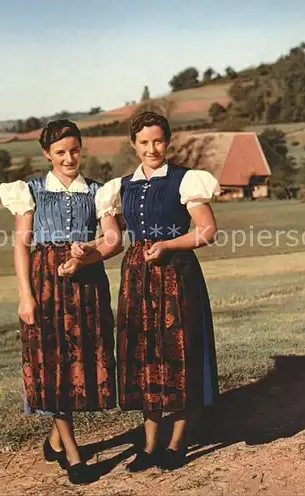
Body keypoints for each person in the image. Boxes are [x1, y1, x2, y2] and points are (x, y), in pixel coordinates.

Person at [93, 110, 221, 472]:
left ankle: (177, 441)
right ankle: (148, 444)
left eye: (158, 141)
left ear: (168, 141)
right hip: (137, 277)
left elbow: (207, 230)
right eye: (144, 142)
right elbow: (113, 239)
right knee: (142, 355)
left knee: (178, 351)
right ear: (134, 145)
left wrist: (169, 246)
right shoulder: (118, 188)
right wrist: (87, 250)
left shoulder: (185, 180)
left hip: (177, 274)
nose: (152, 148)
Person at [0, 119, 122, 484]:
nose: (69, 158)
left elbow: (113, 240)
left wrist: (87, 254)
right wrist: (25, 295)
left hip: (86, 284)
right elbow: (21, 245)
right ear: (46, 154)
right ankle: (72, 454)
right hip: (45, 284)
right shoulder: (31, 190)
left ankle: (55, 440)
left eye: (74, 150)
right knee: (53, 364)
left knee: (81, 360)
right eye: (60, 152)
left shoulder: (99, 191)